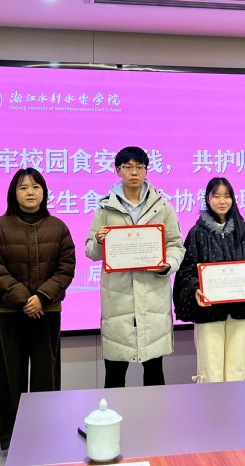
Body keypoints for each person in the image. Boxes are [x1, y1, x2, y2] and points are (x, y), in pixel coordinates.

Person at [0, 168, 76, 450]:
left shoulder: (58, 227)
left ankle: (45, 436)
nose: (30, 192)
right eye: (23, 187)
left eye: (36, 187)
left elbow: (66, 268)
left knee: (46, 376)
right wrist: (25, 299)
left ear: (44, 192)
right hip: (9, 313)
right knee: (10, 377)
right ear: (14, 193)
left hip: (47, 311)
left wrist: (42, 297)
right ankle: (13, 439)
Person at [86, 146, 185, 388]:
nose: (134, 172)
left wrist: (167, 266)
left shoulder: (162, 206)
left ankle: (155, 415)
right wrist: (98, 241)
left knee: (154, 374)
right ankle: (113, 415)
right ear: (117, 170)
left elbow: (176, 245)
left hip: (153, 300)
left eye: (140, 167)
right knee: (114, 375)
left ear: (146, 171)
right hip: (118, 301)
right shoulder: (105, 208)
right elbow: (91, 251)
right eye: (128, 167)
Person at [173, 177, 245, 382]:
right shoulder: (197, 233)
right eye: (216, 196)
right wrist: (195, 289)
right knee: (210, 372)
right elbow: (186, 270)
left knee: (238, 371)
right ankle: (211, 405)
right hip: (209, 312)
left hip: (241, 309)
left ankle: (238, 404)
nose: (222, 201)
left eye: (227, 196)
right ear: (207, 199)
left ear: (233, 199)